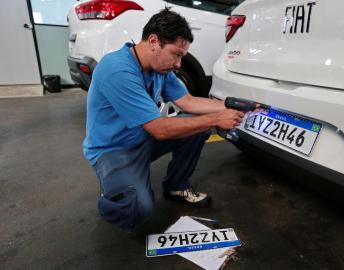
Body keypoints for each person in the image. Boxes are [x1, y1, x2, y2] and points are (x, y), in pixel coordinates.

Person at [82, 8, 244, 231]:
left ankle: (176, 185)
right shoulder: (117, 70)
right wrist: (216, 118)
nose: (178, 64)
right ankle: (116, 193)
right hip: (114, 150)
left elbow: (187, 101)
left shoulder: (160, 69)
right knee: (137, 209)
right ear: (153, 41)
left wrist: (232, 106)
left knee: (197, 125)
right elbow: (160, 129)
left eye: (181, 57)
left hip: (143, 137)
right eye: (176, 54)